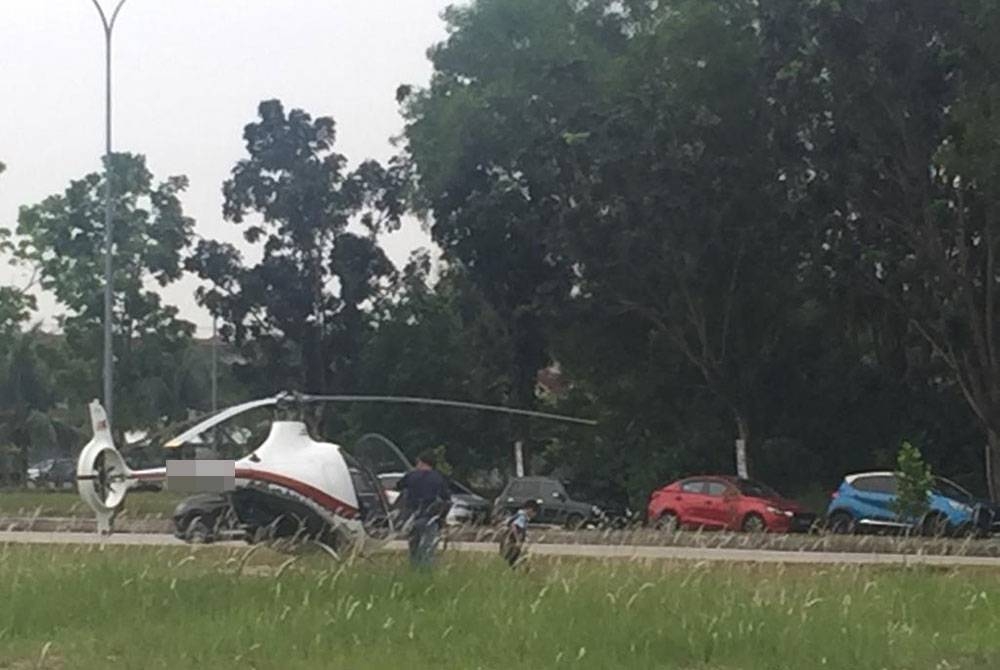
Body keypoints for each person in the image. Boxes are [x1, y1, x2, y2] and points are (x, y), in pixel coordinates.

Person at [395, 450, 452, 568]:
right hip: (430, 518)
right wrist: (442, 518)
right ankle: (425, 575)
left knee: (414, 549)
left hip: (412, 517)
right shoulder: (439, 478)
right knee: (427, 550)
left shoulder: (411, 476)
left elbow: (398, 486)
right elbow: (446, 499)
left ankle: (414, 571)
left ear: (421, 462)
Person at [499, 499, 539, 568]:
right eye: (534, 513)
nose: (534, 515)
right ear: (530, 510)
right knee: (512, 558)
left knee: (512, 558)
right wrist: (517, 540)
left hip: (511, 541)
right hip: (512, 542)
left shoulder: (520, 515)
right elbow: (514, 526)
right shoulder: (522, 517)